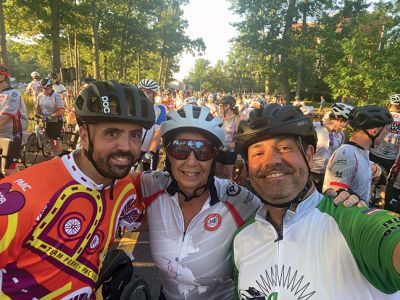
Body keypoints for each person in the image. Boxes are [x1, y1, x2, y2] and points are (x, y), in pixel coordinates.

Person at [132, 105, 361, 300]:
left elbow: (289, 213)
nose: (191, 162)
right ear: (168, 154)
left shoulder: (237, 199)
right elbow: (105, 185)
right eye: (180, 149)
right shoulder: (151, 186)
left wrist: (332, 202)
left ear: (214, 157)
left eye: (203, 151)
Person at [0, 80, 155, 299]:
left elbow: (165, 218)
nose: (126, 146)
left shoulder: (124, 189)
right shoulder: (22, 195)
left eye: (135, 135)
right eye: (111, 133)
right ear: (84, 136)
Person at [232, 104, 400, 299]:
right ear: (247, 167)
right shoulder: (242, 239)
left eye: (284, 147)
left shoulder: (352, 223)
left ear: (309, 155)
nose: (271, 161)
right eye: (258, 153)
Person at [323, 105, 393, 205]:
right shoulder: (346, 155)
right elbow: (335, 198)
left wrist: (376, 169)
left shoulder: (361, 151)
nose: (385, 136)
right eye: (385, 132)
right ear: (374, 132)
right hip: (348, 219)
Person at [311, 103, 353, 192]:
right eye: (346, 122)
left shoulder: (341, 135)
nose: (346, 126)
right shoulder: (314, 128)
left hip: (327, 174)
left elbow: (338, 155)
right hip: (310, 172)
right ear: (340, 119)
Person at [369, 94, 400, 204]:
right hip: (392, 156)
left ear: (389, 104)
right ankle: (382, 204)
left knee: (371, 178)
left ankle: (368, 202)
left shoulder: (383, 116)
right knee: (386, 183)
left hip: (375, 152)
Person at [0, 64, 28, 176]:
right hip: (1, 136)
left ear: (2, 77)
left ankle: (18, 192)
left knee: (8, 170)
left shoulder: (13, 94)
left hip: (13, 137)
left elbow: (5, 118)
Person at [138, 78, 167, 171]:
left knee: (147, 179)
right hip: (135, 150)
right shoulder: (134, 108)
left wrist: (151, 151)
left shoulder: (160, 109)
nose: (145, 95)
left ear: (154, 94)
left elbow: (158, 132)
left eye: (149, 92)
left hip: (150, 150)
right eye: (142, 91)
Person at [35, 77, 65, 156]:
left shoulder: (56, 96)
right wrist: (37, 114)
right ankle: (54, 154)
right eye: (43, 88)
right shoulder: (40, 96)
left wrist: (51, 116)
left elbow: (61, 110)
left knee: (56, 139)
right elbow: (38, 107)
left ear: (51, 88)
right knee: (50, 138)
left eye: (46, 89)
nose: (44, 91)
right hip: (46, 120)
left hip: (56, 120)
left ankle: (59, 156)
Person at [215, 95, 240, 180]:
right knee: (217, 173)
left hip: (230, 151)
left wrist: (233, 144)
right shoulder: (220, 118)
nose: (219, 107)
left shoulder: (235, 118)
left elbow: (238, 135)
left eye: (221, 106)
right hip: (220, 149)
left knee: (228, 175)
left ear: (228, 106)